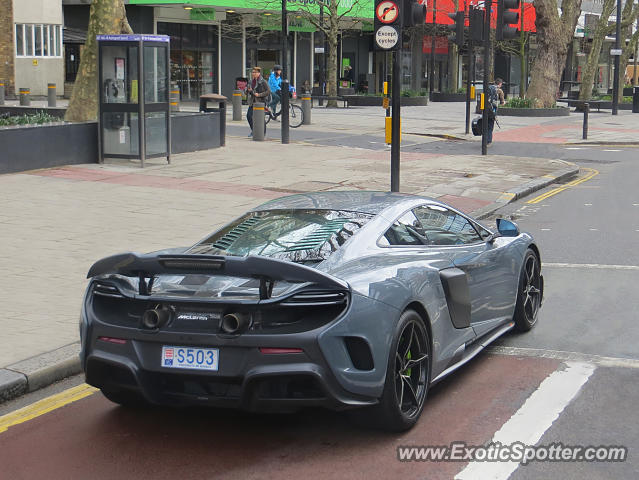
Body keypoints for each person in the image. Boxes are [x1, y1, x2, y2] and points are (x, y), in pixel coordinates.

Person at [245, 66, 271, 137]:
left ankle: (263, 133)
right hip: (253, 101)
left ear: (258, 73)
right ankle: (254, 130)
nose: (253, 73)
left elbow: (268, 91)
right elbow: (248, 91)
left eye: (254, 72)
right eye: (252, 72)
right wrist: (248, 90)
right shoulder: (251, 81)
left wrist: (259, 94)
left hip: (260, 102)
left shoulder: (263, 81)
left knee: (261, 118)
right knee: (249, 116)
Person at [486, 78, 503, 146]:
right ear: (500, 84)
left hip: (485, 108)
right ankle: (489, 141)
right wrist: (502, 102)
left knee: (486, 125)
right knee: (490, 126)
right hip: (492, 110)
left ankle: (485, 139)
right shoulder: (499, 90)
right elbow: (502, 101)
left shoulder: (489, 88)